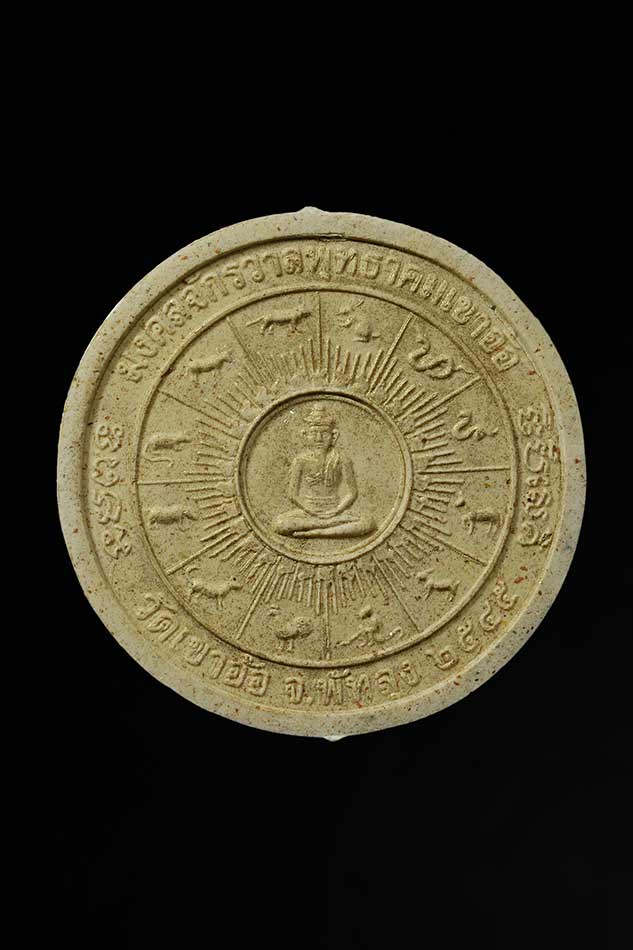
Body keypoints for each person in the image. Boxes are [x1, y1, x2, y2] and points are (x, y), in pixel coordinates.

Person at [273, 403, 376, 539]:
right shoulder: (300, 460)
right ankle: (329, 526)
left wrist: (336, 511)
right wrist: (310, 511)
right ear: (305, 435)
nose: (319, 439)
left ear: (334, 435)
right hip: (308, 512)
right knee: (279, 524)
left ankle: (318, 532)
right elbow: (292, 494)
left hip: (336, 510)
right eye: (313, 433)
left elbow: (352, 493)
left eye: (324, 434)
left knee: (368, 522)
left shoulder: (342, 459)